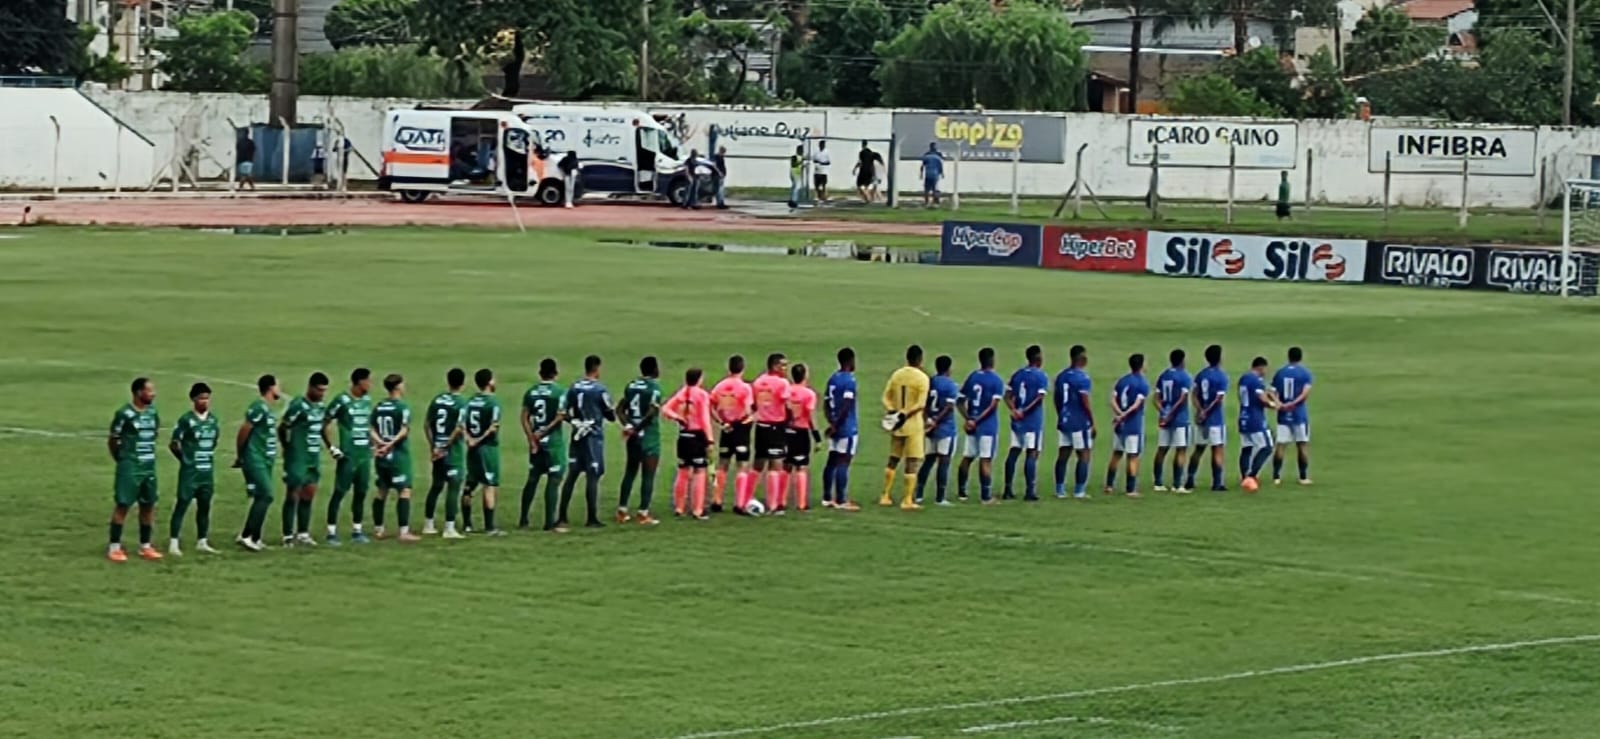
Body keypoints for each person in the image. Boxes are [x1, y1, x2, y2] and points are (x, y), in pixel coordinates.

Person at [107, 377, 162, 562]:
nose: (153, 393)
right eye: (149, 390)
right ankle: (114, 547)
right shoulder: (124, 414)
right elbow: (114, 439)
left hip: (148, 466)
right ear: (139, 393)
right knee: (123, 505)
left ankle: (145, 546)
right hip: (130, 466)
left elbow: (155, 433)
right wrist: (122, 459)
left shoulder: (152, 412)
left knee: (148, 505)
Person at [559, 355, 616, 530]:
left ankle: (561, 516)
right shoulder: (600, 389)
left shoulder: (574, 387)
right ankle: (592, 518)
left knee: (572, 474)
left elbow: (562, 411)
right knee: (593, 475)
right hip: (593, 437)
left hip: (577, 435)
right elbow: (610, 414)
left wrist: (574, 421)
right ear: (597, 368)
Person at [278, 371, 331, 547]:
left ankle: (303, 533)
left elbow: (322, 427)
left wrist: (330, 446)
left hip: (313, 457)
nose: (321, 394)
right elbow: (283, 427)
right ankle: (287, 535)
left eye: (324, 391)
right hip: (298, 457)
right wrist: (288, 448)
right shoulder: (298, 405)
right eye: (319, 390)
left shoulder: (321, 406)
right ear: (310, 387)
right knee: (292, 495)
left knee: (309, 494)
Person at [168, 382, 220, 556]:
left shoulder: (213, 420)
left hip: (207, 472)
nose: (205, 402)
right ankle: (174, 542)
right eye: (201, 398)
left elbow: (214, 441)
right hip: (190, 472)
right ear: (193, 399)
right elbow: (174, 443)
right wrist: (186, 460)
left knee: (205, 506)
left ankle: (202, 541)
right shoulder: (186, 420)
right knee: (182, 504)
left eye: (207, 398)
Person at [324, 368, 375, 544]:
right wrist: (332, 447)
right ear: (359, 382)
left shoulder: (367, 401)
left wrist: (373, 444)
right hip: (348, 455)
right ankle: (331, 532)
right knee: (339, 492)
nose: (370, 384)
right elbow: (325, 422)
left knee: (361, 492)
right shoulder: (342, 400)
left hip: (364, 455)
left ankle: (357, 530)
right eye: (368, 381)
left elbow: (367, 426)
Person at [519, 358, 568, 532]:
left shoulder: (531, 392)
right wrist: (545, 432)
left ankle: (523, 519)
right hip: (553, 444)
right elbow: (561, 416)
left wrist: (531, 438)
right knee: (554, 481)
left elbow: (524, 417)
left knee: (532, 479)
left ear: (540, 373)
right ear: (555, 373)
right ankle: (549, 522)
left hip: (536, 444)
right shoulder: (560, 392)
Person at [234, 374, 281, 552]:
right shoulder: (258, 407)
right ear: (271, 387)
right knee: (267, 495)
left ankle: (253, 536)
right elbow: (244, 430)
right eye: (278, 386)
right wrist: (241, 455)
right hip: (256, 458)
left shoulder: (267, 409)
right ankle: (247, 536)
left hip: (266, 459)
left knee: (262, 496)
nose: (280, 390)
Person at [371, 373, 420, 542]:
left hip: (381, 455)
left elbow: (371, 428)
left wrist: (381, 444)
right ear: (398, 387)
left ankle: (378, 529)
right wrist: (390, 443)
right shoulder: (402, 407)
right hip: (398, 456)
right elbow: (404, 430)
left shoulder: (379, 406)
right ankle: (403, 531)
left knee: (381, 490)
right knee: (404, 491)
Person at [880, 344, 930, 511]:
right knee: (912, 461)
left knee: (893, 459)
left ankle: (885, 495)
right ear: (920, 359)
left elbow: (885, 398)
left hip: (896, 425)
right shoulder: (922, 378)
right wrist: (905, 413)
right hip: (913, 425)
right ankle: (907, 499)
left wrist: (893, 412)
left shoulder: (897, 375)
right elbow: (920, 404)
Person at [617, 356, 665, 526]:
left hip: (633, 437)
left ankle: (622, 511)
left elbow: (619, 409)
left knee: (630, 472)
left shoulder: (631, 386)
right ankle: (643, 513)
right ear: (654, 369)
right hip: (649, 437)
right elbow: (651, 412)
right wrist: (637, 429)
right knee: (648, 475)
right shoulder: (654, 388)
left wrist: (628, 426)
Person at [662, 366, 714, 519]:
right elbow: (705, 418)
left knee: (683, 471)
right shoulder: (702, 395)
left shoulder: (682, 393)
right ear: (699, 379)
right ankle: (697, 510)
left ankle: (679, 507)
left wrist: (677, 417)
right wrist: (709, 439)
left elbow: (665, 409)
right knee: (699, 472)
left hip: (683, 435)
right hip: (697, 436)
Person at [956, 347, 1006, 504]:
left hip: (972, 427)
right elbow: (993, 405)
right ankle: (986, 496)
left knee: (968, 457)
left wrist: (968, 419)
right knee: (986, 460)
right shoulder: (997, 380)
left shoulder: (973, 377)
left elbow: (960, 400)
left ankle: (962, 493)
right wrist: (976, 420)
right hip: (987, 427)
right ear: (992, 360)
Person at [423, 369, 467, 537]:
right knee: (453, 487)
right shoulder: (462, 403)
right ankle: (449, 527)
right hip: (452, 452)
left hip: (436, 450)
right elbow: (459, 428)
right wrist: (445, 446)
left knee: (436, 486)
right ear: (462, 383)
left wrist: (433, 446)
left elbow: (427, 424)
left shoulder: (437, 400)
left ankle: (428, 524)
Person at [1004, 345, 1049, 501]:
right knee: (1031, 453)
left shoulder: (1018, 374)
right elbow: (1039, 398)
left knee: (1014, 452)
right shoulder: (1041, 376)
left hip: (1017, 421)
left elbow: (1007, 395)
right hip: (1032, 422)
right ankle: (1030, 491)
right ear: (1038, 358)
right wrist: (1024, 411)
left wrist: (1014, 410)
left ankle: (1007, 489)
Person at [463, 368, 505, 536]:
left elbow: (462, 424)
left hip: (471, 449)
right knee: (489, 485)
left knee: (470, 485)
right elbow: (493, 427)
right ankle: (490, 527)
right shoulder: (493, 403)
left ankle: (467, 524)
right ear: (489, 382)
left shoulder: (470, 401)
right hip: (487, 449)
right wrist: (478, 440)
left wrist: (469, 439)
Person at [710, 355, 754, 513]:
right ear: (742, 368)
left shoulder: (720, 386)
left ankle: (717, 500)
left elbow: (711, 406)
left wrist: (721, 422)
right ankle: (740, 504)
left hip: (726, 427)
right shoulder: (745, 388)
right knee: (742, 465)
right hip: (741, 427)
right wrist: (752, 417)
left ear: (729, 368)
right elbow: (748, 411)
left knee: (722, 464)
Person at [914, 354, 960, 505]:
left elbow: (924, 403)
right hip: (945, 428)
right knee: (944, 462)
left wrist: (928, 419)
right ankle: (940, 497)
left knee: (928, 461)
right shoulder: (950, 385)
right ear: (949, 368)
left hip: (930, 428)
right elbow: (948, 407)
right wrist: (936, 421)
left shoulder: (930, 382)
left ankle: (919, 494)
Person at [1185, 345, 1230, 492]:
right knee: (1217, 449)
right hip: (1215, 419)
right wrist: (1207, 411)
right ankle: (1217, 483)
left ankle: (1190, 479)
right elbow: (1218, 398)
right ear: (1220, 357)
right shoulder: (1221, 376)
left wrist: (1200, 410)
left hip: (1201, 420)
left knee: (1198, 449)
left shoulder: (1201, 375)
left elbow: (1194, 394)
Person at [752, 353, 792, 512]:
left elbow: (754, 405)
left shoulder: (758, 382)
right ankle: (774, 504)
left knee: (758, 464)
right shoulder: (782, 383)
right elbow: (787, 405)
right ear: (775, 366)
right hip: (776, 426)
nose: (785, 368)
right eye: (783, 365)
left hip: (761, 426)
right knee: (776, 465)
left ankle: (747, 498)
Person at [822, 347, 861, 511]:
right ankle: (841, 499)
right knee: (844, 462)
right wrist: (837, 425)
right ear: (850, 361)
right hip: (846, 428)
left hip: (834, 426)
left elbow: (825, 403)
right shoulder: (849, 381)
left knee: (831, 461)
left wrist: (831, 423)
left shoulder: (833, 378)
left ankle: (826, 497)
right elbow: (846, 405)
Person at [1105, 354, 1150, 498]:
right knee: (1133, 456)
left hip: (1120, 425)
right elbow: (1136, 405)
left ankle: (1109, 485)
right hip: (1133, 425)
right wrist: (1124, 415)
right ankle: (1131, 489)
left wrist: (1119, 415)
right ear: (1142, 365)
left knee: (1116, 454)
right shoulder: (1142, 383)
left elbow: (1112, 400)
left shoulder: (1122, 381)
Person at [1054, 345, 1096, 499]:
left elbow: (1057, 399)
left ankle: (1060, 489)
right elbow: (1085, 402)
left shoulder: (1061, 376)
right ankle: (1079, 490)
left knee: (1063, 454)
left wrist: (1061, 414)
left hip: (1064, 420)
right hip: (1079, 421)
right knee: (1084, 454)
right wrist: (1092, 421)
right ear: (1082, 359)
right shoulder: (1082, 378)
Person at [1152, 349, 1193, 493]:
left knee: (1162, 449)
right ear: (1182, 360)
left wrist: (1163, 412)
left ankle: (1158, 483)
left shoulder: (1164, 376)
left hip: (1164, 418)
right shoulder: (1184, 376)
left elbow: (1155, 398)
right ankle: (1177, 485)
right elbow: (1182, 398)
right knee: (1181, 449)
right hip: (1180, 419)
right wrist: (1171, 413)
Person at [1271, 347, 1314, 486]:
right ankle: (1303, 477)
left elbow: (1272, 392)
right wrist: (1293, 403)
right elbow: (1305, 393)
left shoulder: (1280, 373)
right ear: (1300, 358)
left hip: (1283, 414)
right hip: (1299, 414)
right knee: (1302, 445)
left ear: (1288, 357)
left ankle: (1276, 477)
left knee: (1281, 445)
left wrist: (1280, 404)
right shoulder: (1305, 373)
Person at [1238, 357, 1281, 487]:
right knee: (1267, 447)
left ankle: (1244, 476)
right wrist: (1273, 405)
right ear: (1261, 367)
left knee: (1247, 447)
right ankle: (1251, 476)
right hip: (1255, 418)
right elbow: (1262, 398)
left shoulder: (1244, 378)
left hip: (1243, 417)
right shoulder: (1255, 381)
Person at [784, 363, 821, 511]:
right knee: (801, 467)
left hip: (786, 432)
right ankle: (801, 503)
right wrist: (817, 438)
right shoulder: (808, 394)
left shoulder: (787, 391)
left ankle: (781, 500)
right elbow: (811, 417)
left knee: (786, 467)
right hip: (801, 433)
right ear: (805, 375)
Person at [920, 142, 945, 208]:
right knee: (934, 188)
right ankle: (935, 202)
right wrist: (942, 173)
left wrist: (921, 174)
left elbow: (922, 166)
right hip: (935, 174)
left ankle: (926, 202)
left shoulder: (926, 155)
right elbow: (940, 166)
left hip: (928, 174)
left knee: (926, 189)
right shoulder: (938, 156)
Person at [787, 145, 806, 209]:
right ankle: (793, 200)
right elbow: (793, 164)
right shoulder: (794, 157)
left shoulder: (801, 157)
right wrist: (801, 162)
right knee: (796, 187)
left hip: (797, 173)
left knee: (794, 187)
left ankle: (792, 199)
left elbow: (800, 167)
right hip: (794, 173)